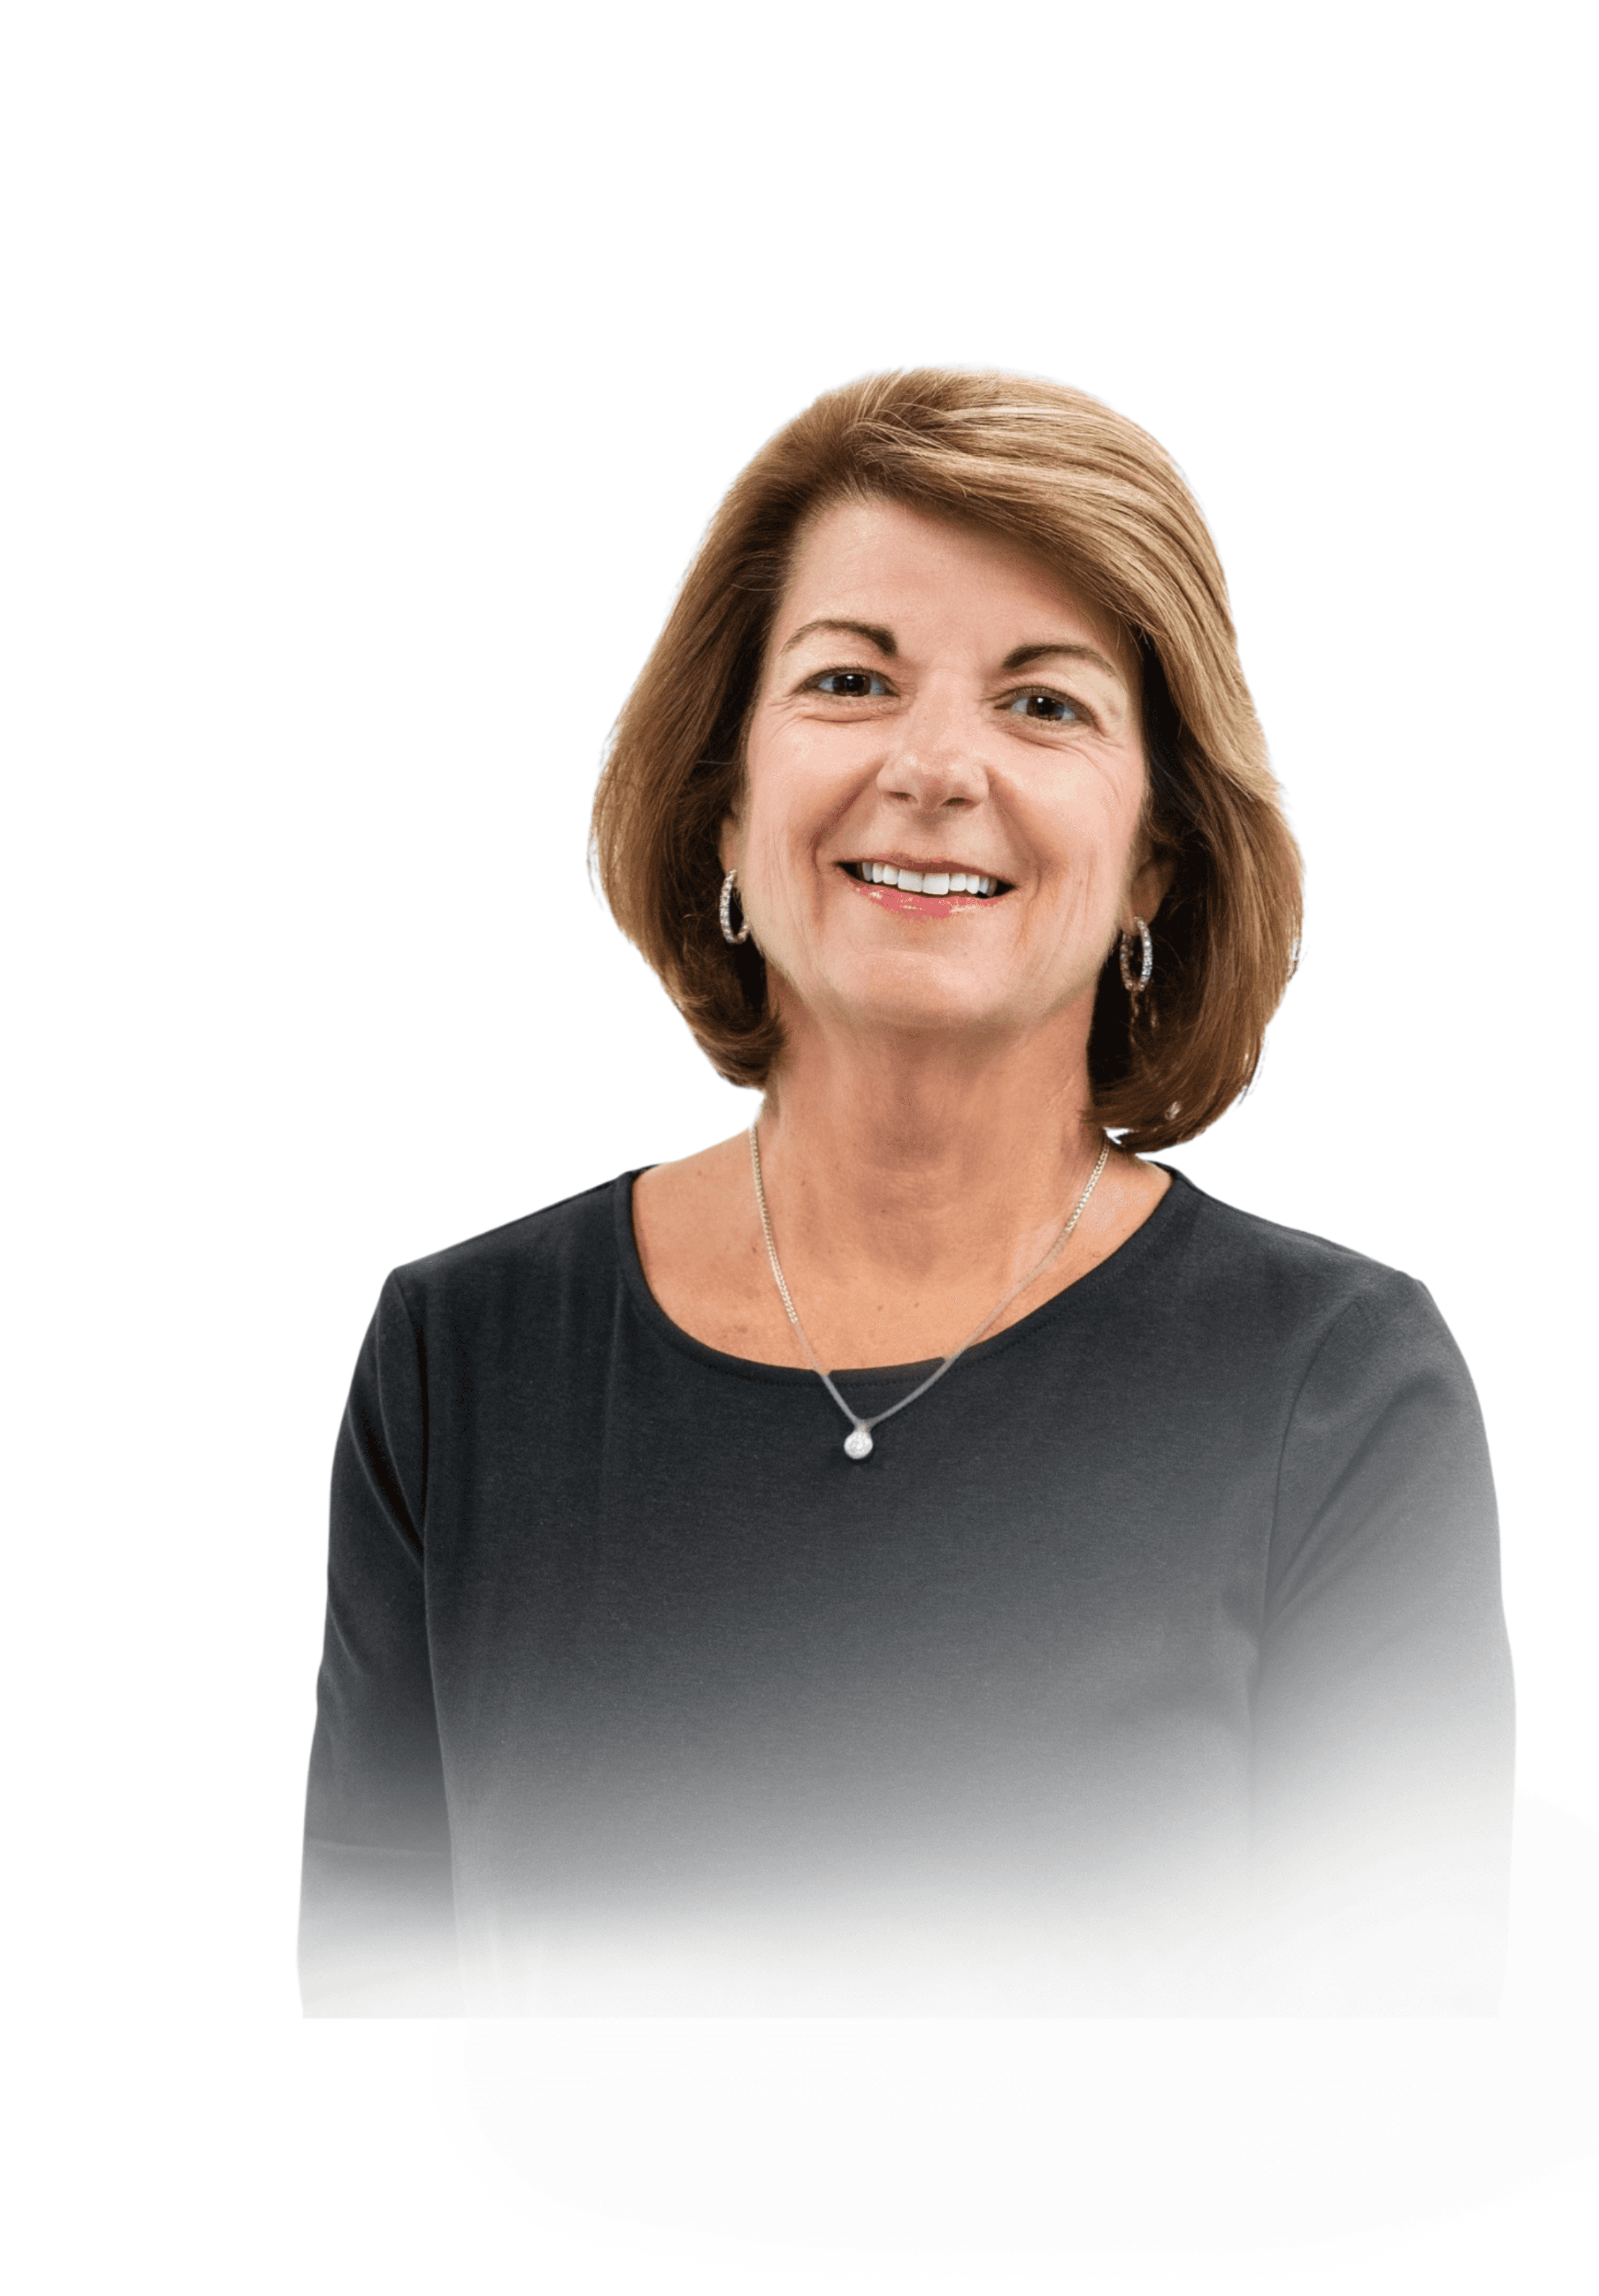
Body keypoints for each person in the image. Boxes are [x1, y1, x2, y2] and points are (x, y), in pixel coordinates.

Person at [299, 369, 1514, 2017]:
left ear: (1155, 856)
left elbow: (1410, 2106)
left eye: (1045, 705)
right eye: (851, 680)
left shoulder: (1337, 1389)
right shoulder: (462, 1362)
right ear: (724, 805)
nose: (936, 767)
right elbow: (370, 2070)